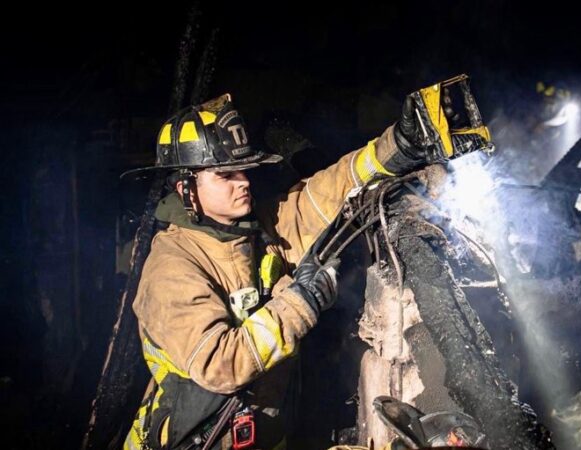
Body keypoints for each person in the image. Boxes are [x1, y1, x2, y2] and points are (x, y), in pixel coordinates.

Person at [120, 93, 430, 450]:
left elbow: (326, 193)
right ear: (186, 189)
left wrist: (397, 147)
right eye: (226, 175)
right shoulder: (172, 266)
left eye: (245, 171)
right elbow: (220, 363)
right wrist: (302, 301)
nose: (244, 182)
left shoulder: (258, 229)